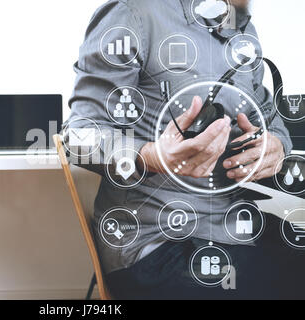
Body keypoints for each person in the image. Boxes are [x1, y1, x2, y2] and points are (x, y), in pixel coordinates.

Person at [66, 0, 305, 299]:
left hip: (235, 230)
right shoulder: (131, 13)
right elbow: (79, 136)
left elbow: (268, 116)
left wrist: (277, 145)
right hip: (158, 245)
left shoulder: (241, 27)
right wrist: (151, 156)